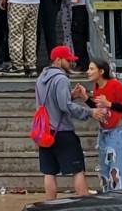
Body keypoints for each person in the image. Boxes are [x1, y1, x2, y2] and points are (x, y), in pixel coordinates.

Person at [34, 45, 92, 201]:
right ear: (58, 60)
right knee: (77, 169)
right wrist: (89, 112)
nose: (70, 63)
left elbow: (50, 103)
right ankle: (84, 202)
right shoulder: (61, 78)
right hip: (63, 131)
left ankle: (50, 204)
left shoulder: (41, 78)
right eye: (67, 60)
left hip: (45, 132)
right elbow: (64, 106)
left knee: (49, 172)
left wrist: (70, 96)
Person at [85, 57, 122, 190]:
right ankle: (108, 193)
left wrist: (109, 104)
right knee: (104, 167)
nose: (88, 72)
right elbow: (98, 107)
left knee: (116, 165)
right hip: (103, 131)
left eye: (91, 69)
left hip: (116, 131)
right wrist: (84, 97)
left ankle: (121, 193)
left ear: (101, 71)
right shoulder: (96, 87)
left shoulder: (115, 85)